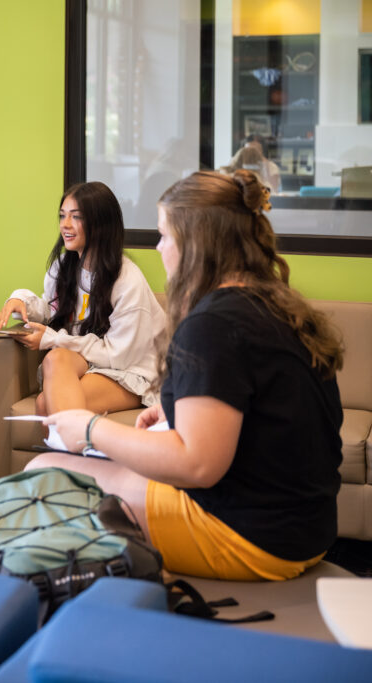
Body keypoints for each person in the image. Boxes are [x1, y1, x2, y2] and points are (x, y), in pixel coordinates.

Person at [34, 169, 344, 581]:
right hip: (307, 530)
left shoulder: (213, 323)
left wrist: (91, 429)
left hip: (250, 536)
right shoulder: (276, 305)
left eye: (164, 236)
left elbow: (197, 465)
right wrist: (174, 413)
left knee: (42, 475)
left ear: (196, 243)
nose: (159, 248)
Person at [0, 181, 165, 418]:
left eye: (76, 217)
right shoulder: (62, 267)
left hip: (131, 369)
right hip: (89, 361)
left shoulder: (127, 279)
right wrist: (21, 301)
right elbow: (53, 310)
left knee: (45, 403)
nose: (65, 224)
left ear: (101, 223)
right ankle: (67, 441)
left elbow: (119, 356)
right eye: (63, 216)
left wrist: (53, 339)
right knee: (56, 357)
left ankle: (62, 443)